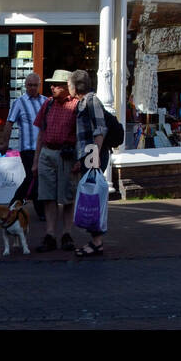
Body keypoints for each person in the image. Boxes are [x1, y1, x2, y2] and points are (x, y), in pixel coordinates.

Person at [33, 70, 80, 252]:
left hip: (66, 154)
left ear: (68, 87)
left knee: (67, 196)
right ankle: (50, 234)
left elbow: (83, 135)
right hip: (47, 152)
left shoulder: (77, 106)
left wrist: (80, 159)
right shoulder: (48, 104)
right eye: (52, 84)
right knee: (47, 195)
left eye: (57, 84)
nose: (52, 87)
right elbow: (41, 134)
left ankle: (67, 233)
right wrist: (36, 160)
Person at [69, 70, 109, 257]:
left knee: (93, 198)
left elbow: (100, 129)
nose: (68, 87)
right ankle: (95, 240)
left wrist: (94, 157)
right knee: (90, 197)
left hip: (93, 156)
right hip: (87, 156)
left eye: (69, 84)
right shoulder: (82, 103)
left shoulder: (92, 100)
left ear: (76, 86)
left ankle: (97, 243)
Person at [7, 73, 48, 222]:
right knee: (32, 177)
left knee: (39, 178)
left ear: (39, 86)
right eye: (29, 85)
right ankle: (18, 204)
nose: (32, 88)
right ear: (25, 85)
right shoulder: (19, 102)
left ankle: (20, 205)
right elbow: (9, 122)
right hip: (27, 147)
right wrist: (5, 143)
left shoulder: (45, 102)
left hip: (43, 147)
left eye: (35, 85)